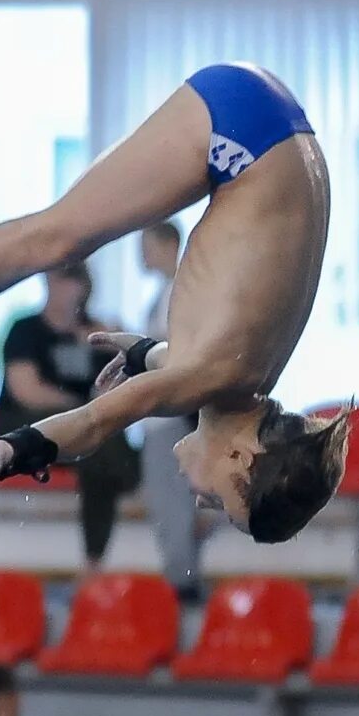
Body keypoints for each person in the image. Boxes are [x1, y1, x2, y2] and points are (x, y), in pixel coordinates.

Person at [0, 62, 349, 544]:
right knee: (54, 240)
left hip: (270, 128)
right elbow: (95, 423)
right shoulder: (213, 376)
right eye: (225, 504)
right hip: (246, 128)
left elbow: (172, 367)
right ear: (241, 460)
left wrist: (138, 353)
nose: (204, 502)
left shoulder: (238, 379)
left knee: (64, 237)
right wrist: (2, 455)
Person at [0, 262, 139, 568]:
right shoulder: (26, 331)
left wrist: (115, 342)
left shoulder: (96, 334)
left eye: (77, 282)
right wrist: (79, 408)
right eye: (64, 282)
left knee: (98, 452)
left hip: (82, 432)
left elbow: (120, 388)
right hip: (26, 427)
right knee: (100, 446)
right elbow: (27, 392)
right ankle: (127, 474)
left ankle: (92, 560)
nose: (70, 291)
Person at [136, 221, 205, 599]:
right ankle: (179, 573)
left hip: (169, 418)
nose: (141, 255)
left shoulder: (181, 293)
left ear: (166, 244)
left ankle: (182, 580)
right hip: (156, 416)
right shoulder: (164, 293)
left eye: (146, 245)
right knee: (164, 500)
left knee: (171, 501)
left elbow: (171, 355)